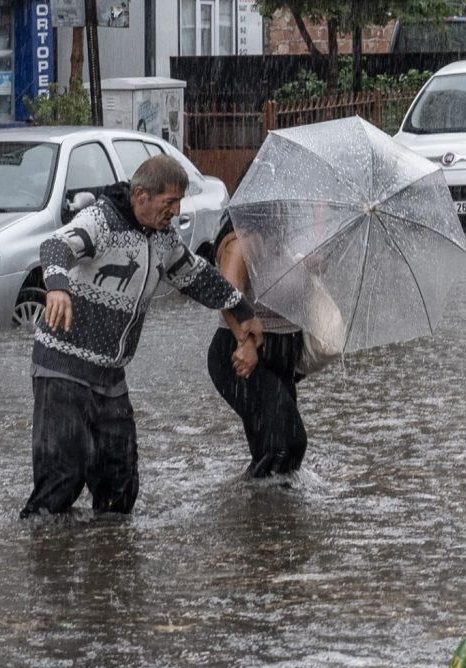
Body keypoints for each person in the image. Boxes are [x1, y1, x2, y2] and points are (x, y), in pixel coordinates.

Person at [20, 155, 263, 519]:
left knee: (120, 487)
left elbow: (198, 277)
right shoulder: (100, 220)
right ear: (141, 196)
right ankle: (48, 560)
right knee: (61, 481)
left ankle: (111, 564)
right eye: (169, 203)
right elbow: (55, 246)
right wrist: (56, 286)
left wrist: (243, 311)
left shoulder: (162, 238)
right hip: (63, 369)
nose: (175, 211)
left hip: (110, 377)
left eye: (179, 202)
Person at [207, 212, 308, 478]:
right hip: (243, 355)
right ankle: (256, 506)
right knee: (286, 442)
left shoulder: (278, 242)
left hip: (278, 358)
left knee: (273, 448)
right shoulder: (241, 242)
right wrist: (245, 343)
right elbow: (226, 292)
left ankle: (262, 512)